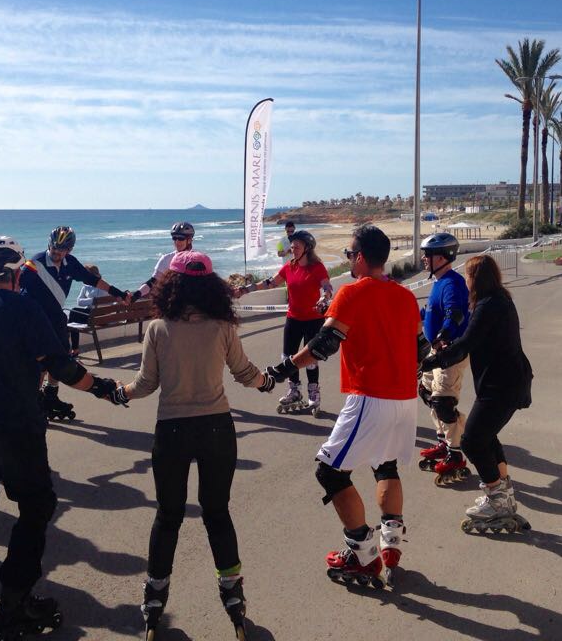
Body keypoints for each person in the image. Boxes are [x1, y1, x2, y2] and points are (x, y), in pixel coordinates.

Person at [0, 234, 125, 637]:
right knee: (35, 506)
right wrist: (103, 388)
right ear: (18, 275)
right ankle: (15, 603)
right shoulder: (24, 307)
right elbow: (62, 367)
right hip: (15, 425)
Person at [119, 251, 275, 639]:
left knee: (168, 516)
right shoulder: (222, 325)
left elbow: (145, 384)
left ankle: (155, 597)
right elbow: (245, 372)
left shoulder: (158, 328)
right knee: (217, 513)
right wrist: (268, 382)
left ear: (170, 285)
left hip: (172, 430)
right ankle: (233, 596)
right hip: (216, 428)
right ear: (211, 286)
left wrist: (118, 393)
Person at [265, 224, 420, 588]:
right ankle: (391, 544)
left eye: (350, 254)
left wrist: (280, 370)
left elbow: (323, 345)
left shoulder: (352, 292)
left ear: (361, 258)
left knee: (330, 472)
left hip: (371, 395)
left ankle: (363, 556)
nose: (349, 260)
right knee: (385, 464)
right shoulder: (405, 296)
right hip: (404, 398)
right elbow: (422, 348)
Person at [421, 254, 533, 534]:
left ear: (477, 279)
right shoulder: (500, 300)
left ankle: (496, 499)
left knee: (471, 441)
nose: (466, 281)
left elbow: (466, 344)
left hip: (500, 386)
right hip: (508, 382)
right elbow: (467, 339)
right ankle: (504, 493)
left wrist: (430, 361)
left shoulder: (488, 306)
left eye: (469, 276)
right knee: (487, 436)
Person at [20, 226, 129, 420]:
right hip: (36, 322)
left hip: (57, 319)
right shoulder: (34, 264)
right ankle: (35, 402)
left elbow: (93, 280)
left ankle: (51, 394)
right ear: (49, 244)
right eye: (54, 247)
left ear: (69, 250)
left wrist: (117, 293)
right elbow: (15, 287)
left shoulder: (70, 263)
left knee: (62, 358)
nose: (56, 252)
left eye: (61, 249)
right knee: (40, 364)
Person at [239, 230, 333, 415]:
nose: (293, 249)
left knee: (310, 358)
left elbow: (327, 286)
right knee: (287, 357)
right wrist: (246, 289)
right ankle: (294, 390)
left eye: (297, 246)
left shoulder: (317, 267)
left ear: (307, 248)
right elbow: (269, 283)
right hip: (293, 318)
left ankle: (313, 392)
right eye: (292, 246)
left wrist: (325, 297)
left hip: (313, 319)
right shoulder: (289, 267)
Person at [416, 233, 472, 485]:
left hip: (450, 352)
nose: (423, 258)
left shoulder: (451, 283)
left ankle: (455, 453)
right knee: (427, 392)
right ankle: (444, 441)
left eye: (427, 255)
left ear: (441, 257)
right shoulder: (440, 282)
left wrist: (443, 336)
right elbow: (430, 312)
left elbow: (455, 314)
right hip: (436, 351)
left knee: (443, 401)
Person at [133, 222, 197, 300]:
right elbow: (152, 282)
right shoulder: (166, 259)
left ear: (189, 240)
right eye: (174, 238)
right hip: (172, 304)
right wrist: (135, 296)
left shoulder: (198, 259)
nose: (177, 242)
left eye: (181, 238)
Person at [67, 264, 108, 354]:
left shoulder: (103, 285)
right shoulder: (86, 286)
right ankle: (72, 344)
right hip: (97, 316)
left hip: (98, 317)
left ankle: (74, 348)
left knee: (73, 314)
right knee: (74, 314)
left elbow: (99, 301)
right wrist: (92, 300)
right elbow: (79, 301)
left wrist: (91, 301)